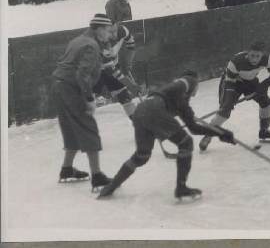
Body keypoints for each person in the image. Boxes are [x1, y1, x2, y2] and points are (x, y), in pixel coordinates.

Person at [97, 71, 236, 200]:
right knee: (186, 143)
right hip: (155, 109)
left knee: (142, 156)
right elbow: (186, 84)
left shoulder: (178, 97)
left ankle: (111, 187)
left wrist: (220, 133)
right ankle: (181, 188)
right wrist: (220, 132)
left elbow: (193, 127)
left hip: (140, 111)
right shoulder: (187, 83)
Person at [50, 14, 114, 191]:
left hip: (58, 85)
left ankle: (67, 169)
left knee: (71, 128)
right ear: (99, 29)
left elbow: (75, 66)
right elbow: (82, 75)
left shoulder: (79, 39)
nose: (110, 35)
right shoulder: (92, 46)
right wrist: (89, 99)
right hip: (71, 88)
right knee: (88, 127)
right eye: (108, 31)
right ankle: (98, 176)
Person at [198, 41, 270, 151]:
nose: (254, 59)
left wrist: (263, 86)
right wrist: (229, 99)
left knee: (266, 103)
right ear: (247, 53)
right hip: (232, 82)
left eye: (257, 56)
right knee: (225, 111)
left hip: (250, 82)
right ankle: (208, 135)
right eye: (252, 55)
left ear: (262, 55)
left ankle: (264, 132)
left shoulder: (267, 59)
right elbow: (229, 81)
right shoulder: (236, 61)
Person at [94, 21, 140, 118]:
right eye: (110, 32)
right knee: (90, 106)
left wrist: (127, 63)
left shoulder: (123, 30)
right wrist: (130, 85)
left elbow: (131, 45)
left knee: (125, 97)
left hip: (112, 69)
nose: (114, 35)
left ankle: (138, 123)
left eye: (115, 31)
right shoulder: (99, 42)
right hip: (95, 73)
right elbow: (110, 70)